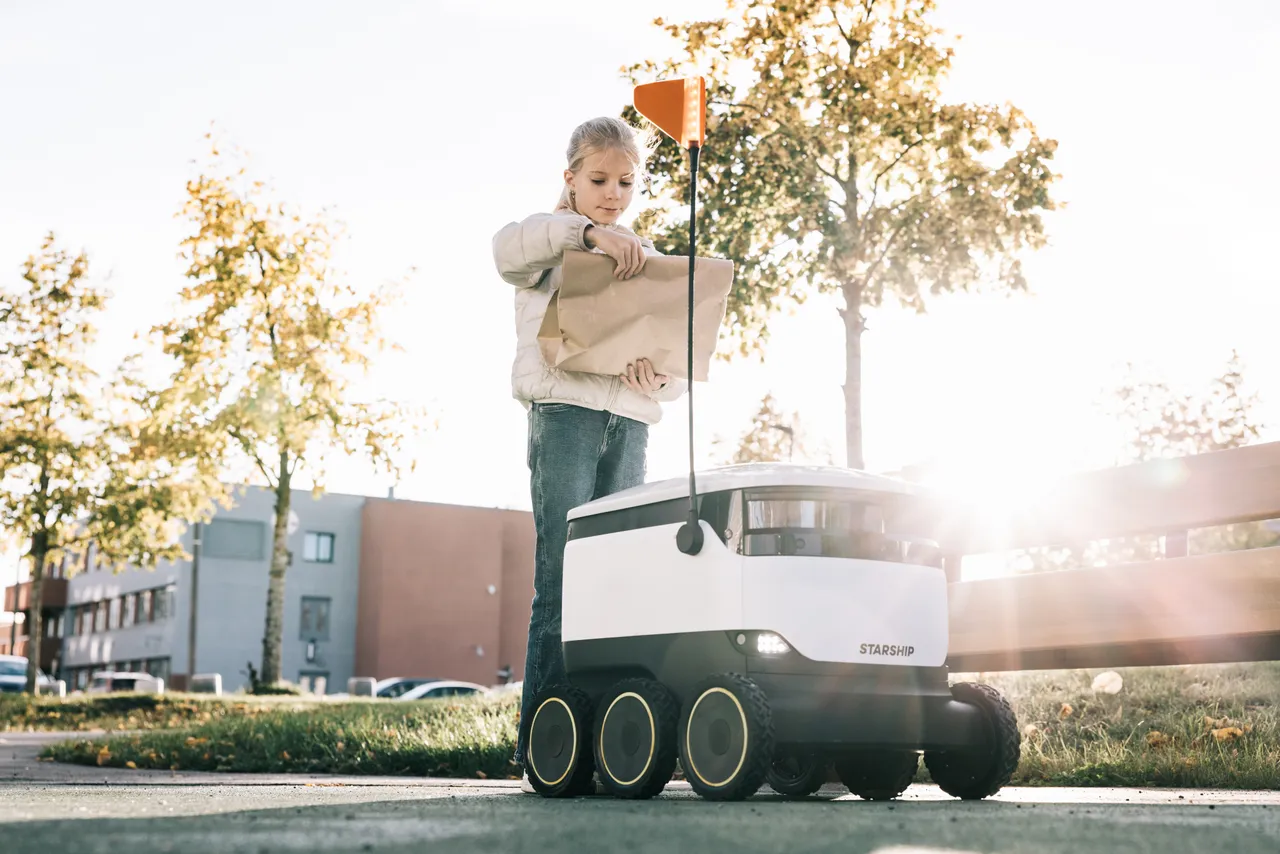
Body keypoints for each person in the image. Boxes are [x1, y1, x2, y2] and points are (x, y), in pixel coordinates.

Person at [491, 115, 687, 778]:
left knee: (617, 585)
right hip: (565, 421)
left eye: (626, 182)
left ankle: (607, 746)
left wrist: (658, 379)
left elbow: (675, 363)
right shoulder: (545, 242)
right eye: (599, 179)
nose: (613, 194)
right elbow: (504, 251)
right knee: (561, 582)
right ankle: (548, 750)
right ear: (570, 178)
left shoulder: (644, 255)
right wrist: (589, 234)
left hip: (627, 426)